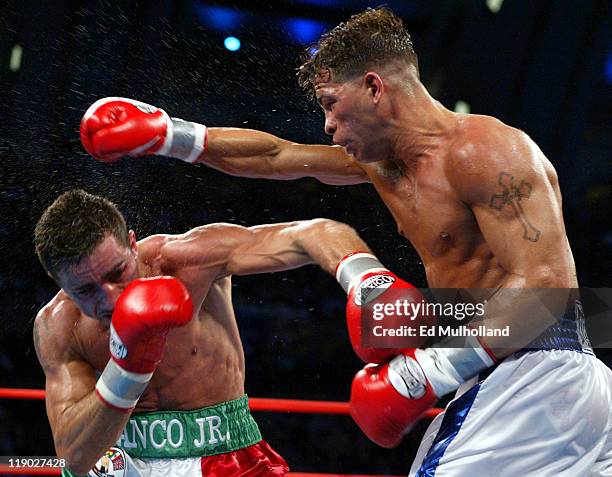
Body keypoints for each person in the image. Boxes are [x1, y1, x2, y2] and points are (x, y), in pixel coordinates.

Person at [78, 8, 612, 475]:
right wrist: (169, 135)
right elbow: (276, 157)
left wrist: (430, 369)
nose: (329, 126)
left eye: (333, 104)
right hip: (529, 376)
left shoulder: (485, 150)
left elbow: (549, 285)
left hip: (537, 372)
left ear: (375, 88)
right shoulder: (388, 166)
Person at [33, 189, 399, 476]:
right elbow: (73, 456)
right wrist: (129, 366)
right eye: (84, 290)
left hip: (224, 456)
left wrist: (368, 284)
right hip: (120, 464)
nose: (109, 298)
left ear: (132, 243)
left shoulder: (187, 260)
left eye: (117, 273)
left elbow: (315, 232)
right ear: (57, 281)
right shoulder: (58, 325)